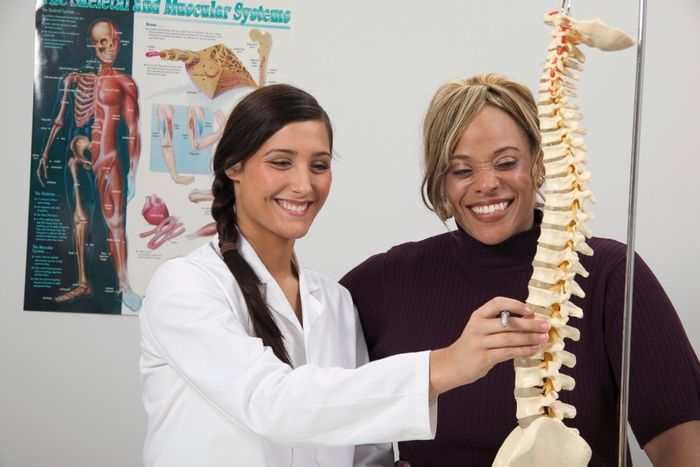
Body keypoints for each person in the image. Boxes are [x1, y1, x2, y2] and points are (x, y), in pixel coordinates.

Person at [139, 84, 551, 467]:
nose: (303, 185)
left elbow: (364, 447)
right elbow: (271, 404)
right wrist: (448, 365)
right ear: (234, 166)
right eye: (281, 162)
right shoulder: (186, 288)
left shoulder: (336, 302)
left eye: (318, 165)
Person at [340, 73, 700, 466]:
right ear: (442, 181)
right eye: (462, 170)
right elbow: (302, 401)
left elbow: (682, 444)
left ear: (539, 163)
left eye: (506, 163)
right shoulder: (386, 282)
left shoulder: (610, 275)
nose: (487, 183)